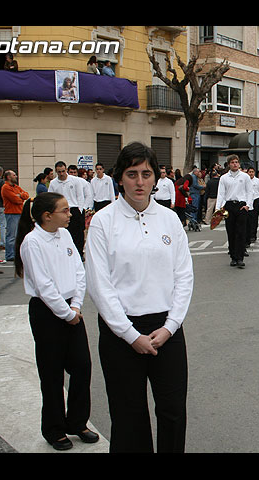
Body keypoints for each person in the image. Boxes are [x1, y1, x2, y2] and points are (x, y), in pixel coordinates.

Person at [85, 142, 193, 453]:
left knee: (173, 412)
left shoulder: (170, 220)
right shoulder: (104, 222)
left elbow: (184, 275)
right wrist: (130, 334)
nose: (140, 182)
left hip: (166, 330)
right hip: (121, 333)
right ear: (120, 178)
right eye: (132, 174)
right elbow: (99, 285)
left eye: (146, 174)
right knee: (129, 416)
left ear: (155, 178)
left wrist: (171, 326)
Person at [14, 192, 97, 450]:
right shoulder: (32, 242)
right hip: (47, 313)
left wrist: (75, 305)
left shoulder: (64, 234)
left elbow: (78, 270)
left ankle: (78, 422)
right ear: (47, 215)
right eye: (64, 210)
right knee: (51, 373)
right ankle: (54, 428)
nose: (70, 213)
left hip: (71, 308)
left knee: (82, 367)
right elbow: (44, 285)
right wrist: (67, 313)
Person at [215, 155, 252, 268]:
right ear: (229, 164)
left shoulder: (245, 177)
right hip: (229, 206)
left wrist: (247, 205)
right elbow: (221, 193)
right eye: (232, 162)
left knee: (241, 232)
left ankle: (240, 257)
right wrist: (218, 208)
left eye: (236, 162)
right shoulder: (224, 178)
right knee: (230, 232)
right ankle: (233, 257)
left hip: (241, 205)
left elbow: (249, 191)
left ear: (239, 164)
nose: (235, 164)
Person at [48, 161, 90, 260]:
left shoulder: (75, 180)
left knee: (78, 234)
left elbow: (80, 196)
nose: (61, 174)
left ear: (66, 170)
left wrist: (81, 209)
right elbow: (50, 197)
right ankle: (63, 253)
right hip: (60, 211)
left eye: (63, 171)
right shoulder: (53, 183)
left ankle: (79, 254)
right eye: (59, 172)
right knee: (61, 233)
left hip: (74, 209)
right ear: (56, 172)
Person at [1, 170, 30, 262]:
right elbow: (16, 200)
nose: (16, 176)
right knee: (11, 235)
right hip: (11, 213)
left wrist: (20, 195)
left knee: (18, 234)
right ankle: (10, 255)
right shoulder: (6, 187)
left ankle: (16, 253)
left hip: (19, 213)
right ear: (9, 177)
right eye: (14, 175)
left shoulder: (16, 187)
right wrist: (20, 197)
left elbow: (26, 195)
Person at [246, 166, 259, 246]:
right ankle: (248, 235)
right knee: (247, 220)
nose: (251, 173)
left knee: (254, 219)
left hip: (256, 200)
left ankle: (253, 235)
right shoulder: (245, 181)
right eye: (250, 172)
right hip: (248, 201)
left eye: (252, 172)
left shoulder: (257, 181)